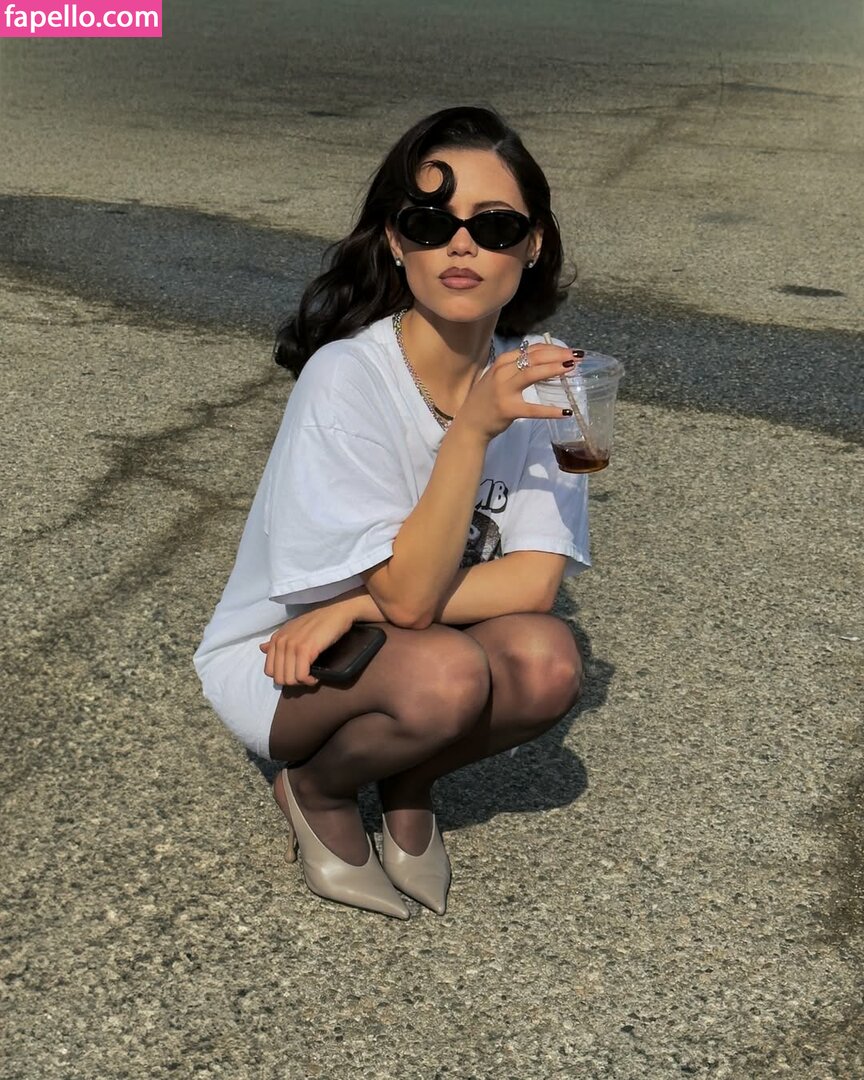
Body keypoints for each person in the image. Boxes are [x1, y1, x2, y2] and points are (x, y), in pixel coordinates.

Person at [193, 105, 591, 920]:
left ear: (534, 243)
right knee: (448, 677)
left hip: (372, 628)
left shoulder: (546, 381)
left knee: (547, 662)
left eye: (495, 225)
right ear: (395, 241)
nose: (461, 246)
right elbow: (410, 602)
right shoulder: (346, 378)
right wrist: (473, 430)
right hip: (287, 659)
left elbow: (534, 585)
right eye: (429, 222)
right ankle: (317, 789)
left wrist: (355, 605)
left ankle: (411, 778)